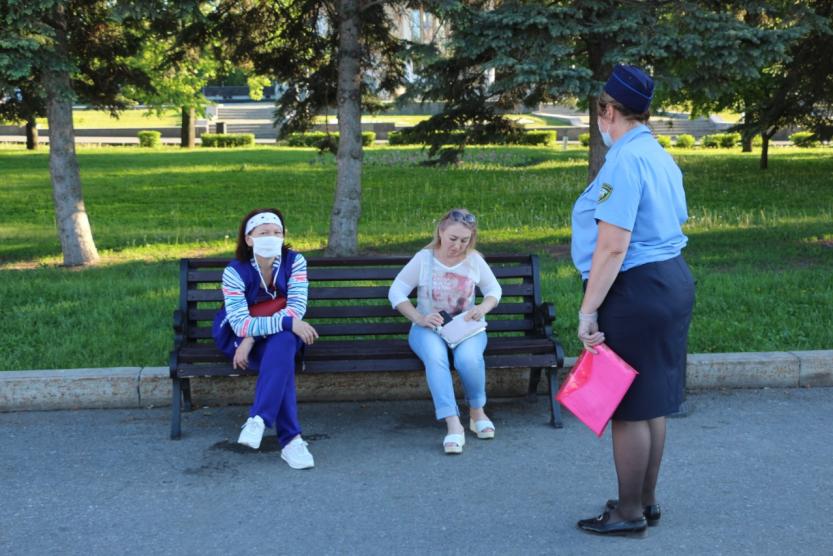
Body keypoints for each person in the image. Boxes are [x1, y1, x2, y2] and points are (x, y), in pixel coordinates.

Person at [570, 65, 696, 535]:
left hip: (636, 287)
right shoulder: (658, 153)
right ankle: (644, 500)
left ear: (608, 111)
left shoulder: (624, 161)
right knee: (652, 400)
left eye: (601, 112)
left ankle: (627, 513)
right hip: (670, 281)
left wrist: (588, 311)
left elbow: (613, 245)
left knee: (626, 405)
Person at [212, 208, 319, 470]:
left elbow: (296, 308)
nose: (271, 237)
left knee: (282, 344)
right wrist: (250, 336)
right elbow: (238, 322)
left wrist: (254, 333)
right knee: (282, 351)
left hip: (276, 336)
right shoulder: (234, 271)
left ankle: (259, 419)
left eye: (277, 232)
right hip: (240, 340)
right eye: (263, 233)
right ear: (249, 239)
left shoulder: (295, 262)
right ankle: (291, 440)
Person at [388, 209, 502, 454]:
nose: (458, 246)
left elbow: (494, 289)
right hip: (428, 328)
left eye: (465, 240)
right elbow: (396, 292)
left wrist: (482, 307)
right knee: (435, 357)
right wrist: (419, 317)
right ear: (441, 232)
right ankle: (453, 424)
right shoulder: (424, 258)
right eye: (453, 239)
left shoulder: (474, 260)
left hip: (465, 328)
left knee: (468, 359)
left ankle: (476, 411)